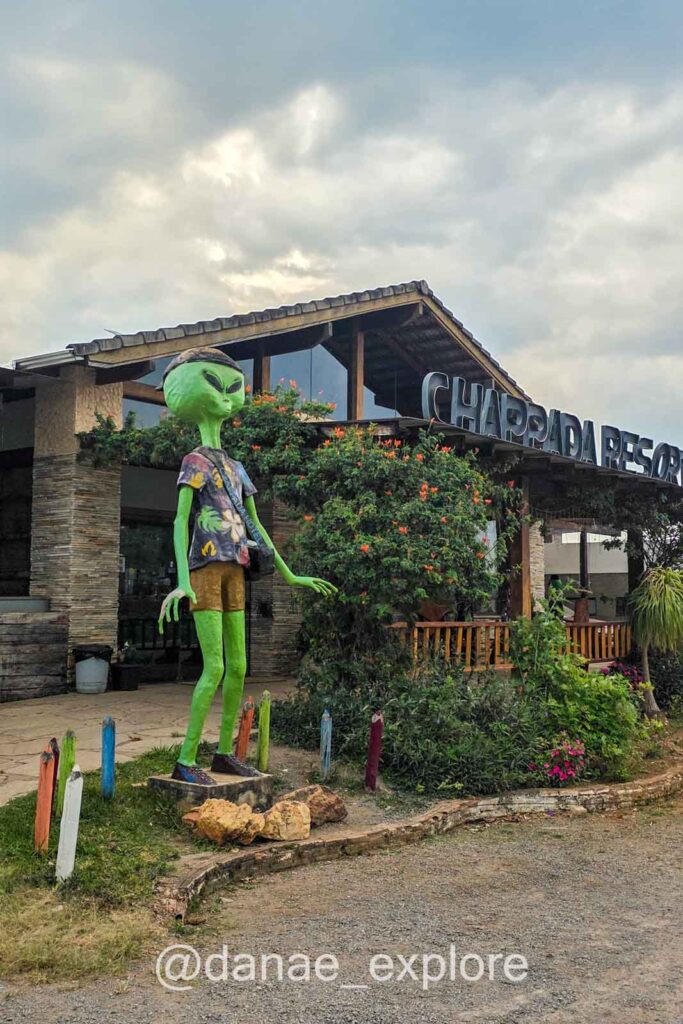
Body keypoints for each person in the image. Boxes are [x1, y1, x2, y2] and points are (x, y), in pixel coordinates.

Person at [158, 347, 336, 785]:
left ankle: (223, 754)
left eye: (233, 388)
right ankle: (185, 759)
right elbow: (181, 520)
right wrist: (182, 580)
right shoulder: (194, 461)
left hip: (237, 568)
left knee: (239, 667)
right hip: (205, 568)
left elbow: (255, 524)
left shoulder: (237, 468)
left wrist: (290, 573)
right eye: (215, 386)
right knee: (214, 667)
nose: (225, 396)